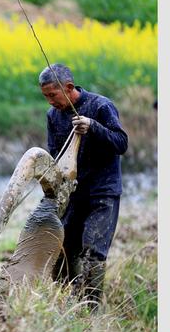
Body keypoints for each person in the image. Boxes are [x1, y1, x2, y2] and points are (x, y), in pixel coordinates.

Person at [39, 63, 128, 308]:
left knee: (93, 253)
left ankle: (90, 310)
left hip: (103, 192)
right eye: (45, 96)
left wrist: (94, 127)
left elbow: (121, 143)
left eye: (52, 95)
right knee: (63, 251)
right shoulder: (53, 116)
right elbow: (55, 153)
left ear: (68, 88)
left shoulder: (101, 106)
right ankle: (66, 304)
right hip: (73, 194)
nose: (49, 102)